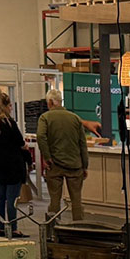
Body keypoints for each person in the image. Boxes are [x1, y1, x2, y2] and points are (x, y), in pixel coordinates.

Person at [36, 88, 89, 222]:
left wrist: (47, 157)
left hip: (54, 165)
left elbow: (41, 136)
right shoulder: (75, 118)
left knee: (55, 200)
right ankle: (79, 227)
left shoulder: (45, 118)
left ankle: (54, 227)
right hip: (75, 165)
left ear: (50, 102)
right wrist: (85, 166)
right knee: (76, 200)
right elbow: (83, 144)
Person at [0, 90, 31, 235]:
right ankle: (13, 228)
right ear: (5, 106)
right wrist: (24, 147)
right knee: (12, 199)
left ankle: (0, 226)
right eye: (10, 105)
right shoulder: (9, 123)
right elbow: (20, 142)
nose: (11, 108)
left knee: (0, 197)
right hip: (13, 166)